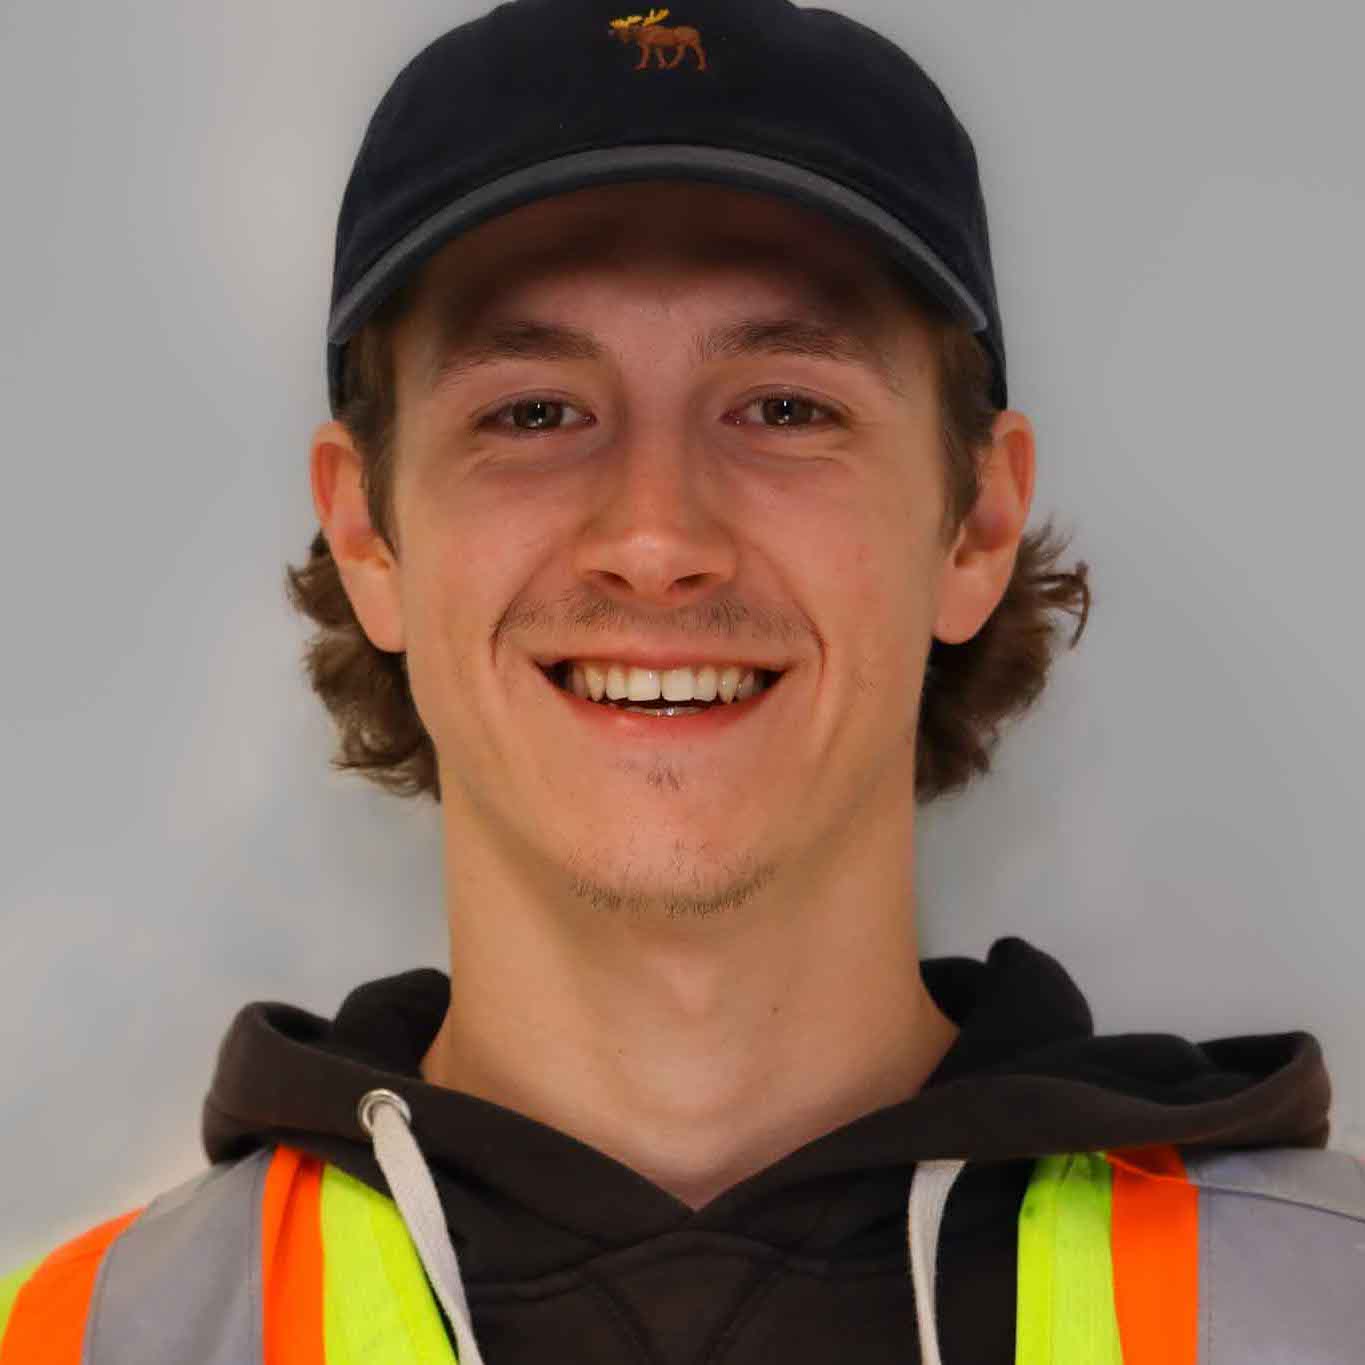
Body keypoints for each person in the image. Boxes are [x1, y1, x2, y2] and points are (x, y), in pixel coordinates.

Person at [3, 0, 1360, 1361]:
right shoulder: (76, 1339)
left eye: (784, 406)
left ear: (975, 526)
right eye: (531, 411)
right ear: (368, 535)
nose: (656, 537)